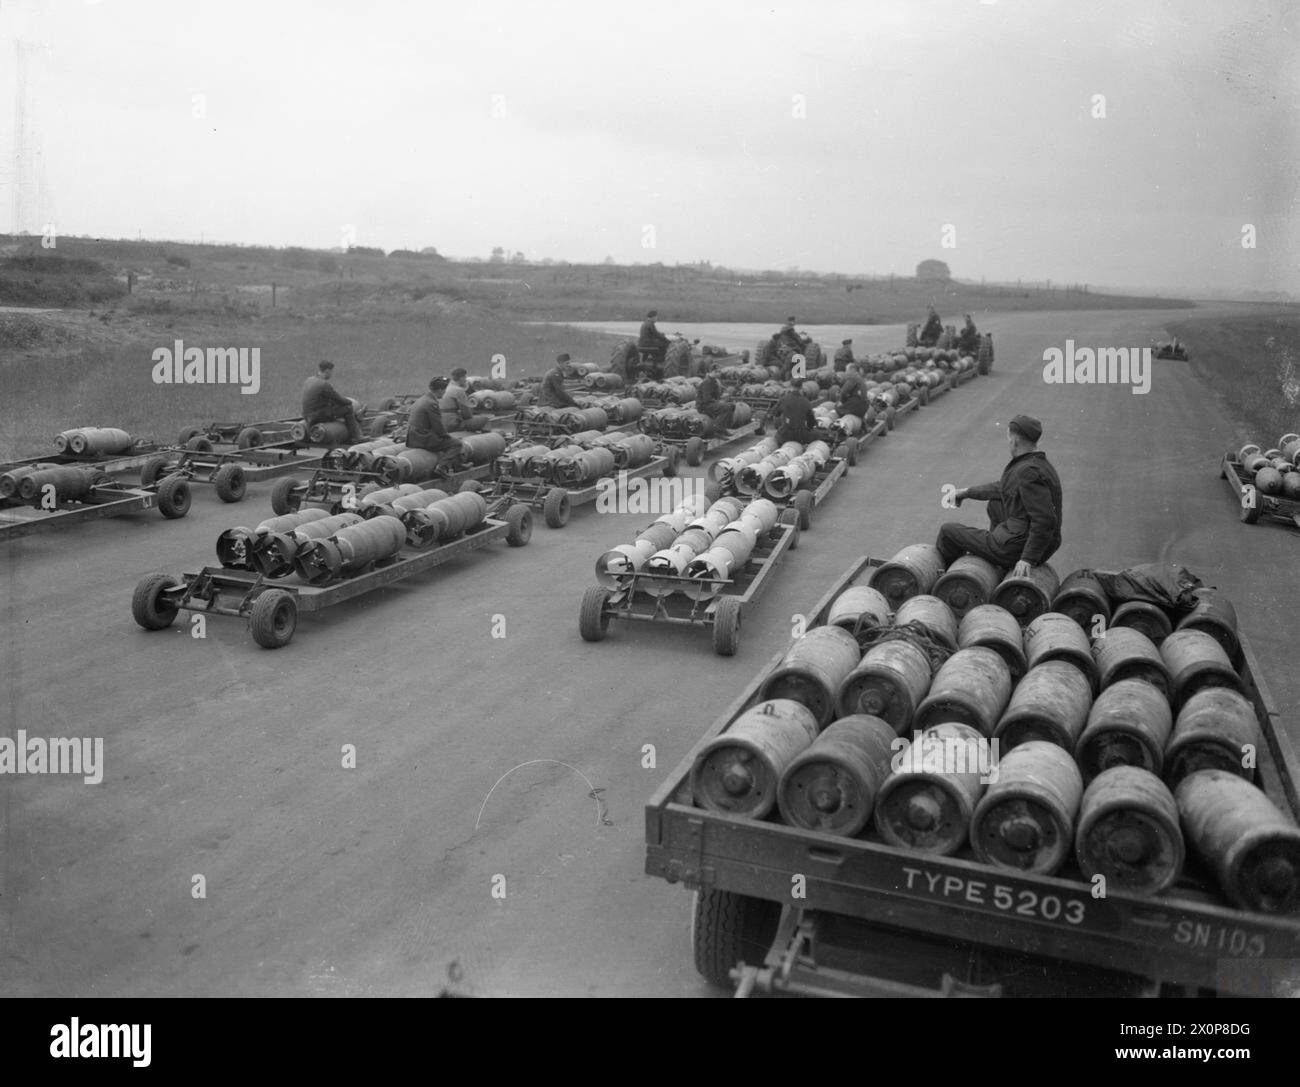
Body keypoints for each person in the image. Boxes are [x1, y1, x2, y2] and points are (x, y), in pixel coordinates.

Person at [936, 415, 1063, 577]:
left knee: (948, 531)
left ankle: (947, 579)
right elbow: (1002, 488)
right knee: (996, 503)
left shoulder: (1028, 472)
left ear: (1015, 440)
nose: (1008, 442)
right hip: (1030, 540)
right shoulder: (1037, 463)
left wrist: (1027, 559)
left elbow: (1045, 520)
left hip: (1017, 547)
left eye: (1008, 437)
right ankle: (995, 556)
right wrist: (966, 492)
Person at [406, 377, 468, 464]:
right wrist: (449, 437)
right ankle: (443, 466)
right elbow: (438, 427)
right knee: (456, 444)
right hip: (423, 439)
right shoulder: (432, 403)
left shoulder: (421, 400)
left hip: (413, 438)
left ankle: (457, 465)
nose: (445, 392)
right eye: (444, 390)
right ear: (439, 390)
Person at [301, 360, 363, 443]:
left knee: (334, 406)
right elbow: (339, 400)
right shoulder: (324, 385)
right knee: (348, 408)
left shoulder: (309, 380)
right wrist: (349, 401)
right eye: (331, 371)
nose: (331, 374)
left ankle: (355, 421)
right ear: (327, 371)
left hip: (307, 415)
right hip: (318, 416)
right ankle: (356, 436)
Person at [774, 377, 827, 445]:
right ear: (801, 387)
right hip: (801, 436)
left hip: (785, 435)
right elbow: (811, 423)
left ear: (790, 386)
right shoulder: (806, 402)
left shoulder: (784, 399)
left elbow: (775, 413)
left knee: (777, 436)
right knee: (818, 434)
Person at [695, 359, 736, 432]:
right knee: (726, 407)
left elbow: (716, 396)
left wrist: (722, 398)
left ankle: (724, 428)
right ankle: (717, 429)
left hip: (710, 403)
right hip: (704, 406)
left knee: (732, 406)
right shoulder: (707, 382)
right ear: (713, 372)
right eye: (718, 372)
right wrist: (719, 402)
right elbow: (707, 399)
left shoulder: (714, 381)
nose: (719, 374)